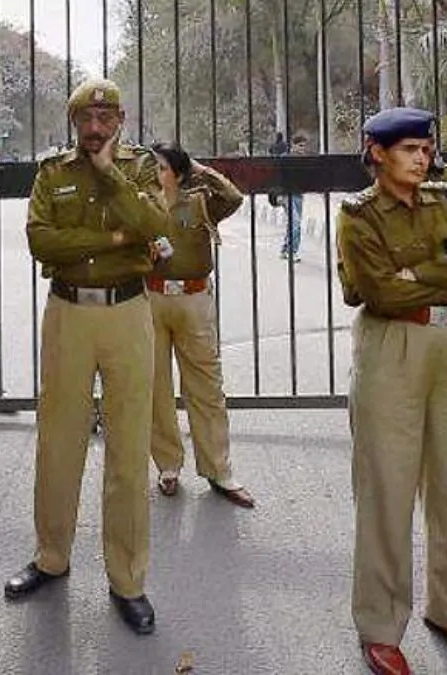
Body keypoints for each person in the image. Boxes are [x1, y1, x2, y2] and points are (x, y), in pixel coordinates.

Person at [4, 77, 171, 636]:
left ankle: (128, 579)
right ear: (74, 121)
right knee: (59, 437)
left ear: (120, 120)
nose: (95, 128)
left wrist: (109, 174)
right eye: (85, 119)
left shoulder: (140, 167)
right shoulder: (52, 172)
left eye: (105, 118)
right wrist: (117, 241)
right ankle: (51, 556)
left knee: (128, 446)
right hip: (68, 312)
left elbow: (154, 224)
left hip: (127, 311)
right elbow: (41, 241)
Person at [336, 106, 447, 675]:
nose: (422, 157)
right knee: (387, 489)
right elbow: (380, 292)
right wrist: (444, 274)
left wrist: (417, 274)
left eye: (426, 148)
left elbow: (400, 280)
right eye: (410, 149)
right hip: (393, 348)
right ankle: (381, 627)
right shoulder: (358, 215)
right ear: (378, 154)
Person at [144, 142, 254, 508]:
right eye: (154, 166)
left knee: (206, 386)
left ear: (178, 172)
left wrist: (195, 166)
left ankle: (218, 469)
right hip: (152, 298)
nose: (156, 173)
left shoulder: (201, 202)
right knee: (156, 386)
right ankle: (168, 465)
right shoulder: (144, 203)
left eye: (162, 166)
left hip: (194, 299)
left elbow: (233, 197)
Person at [280, 134, 308, 262]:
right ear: (293, 146)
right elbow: (278, 178)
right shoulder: (285, 159)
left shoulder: (304, 161)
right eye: (300, 146)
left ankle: (285, 249)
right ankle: (293, 251)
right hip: (287, 194)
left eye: (304, 146)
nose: (303, 149)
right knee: (295, 223)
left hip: (299, 195)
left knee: (292, 223)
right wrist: (279, 195)